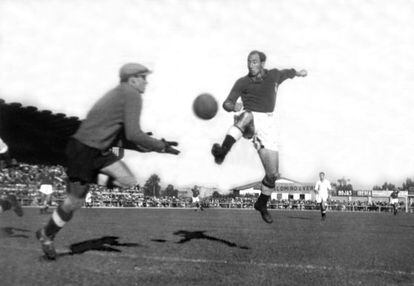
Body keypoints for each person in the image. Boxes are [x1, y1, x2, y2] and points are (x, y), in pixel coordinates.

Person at [36, 63, 180, 260]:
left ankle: (91, 181)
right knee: (73, 202)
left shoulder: (121, 93)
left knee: (128, 181)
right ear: (132, 79)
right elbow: (134, 134)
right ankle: (46, 234)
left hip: (97, 150)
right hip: (84, 150)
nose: (146, 82)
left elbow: (125, 137)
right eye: (144, 77)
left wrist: (158, 146)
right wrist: (159, 146)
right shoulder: (131, 94)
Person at [211, 50, 307, 223]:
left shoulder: (275, 75)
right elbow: (227, 102)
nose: (250, 65)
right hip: (250, 120)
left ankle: (261, 204)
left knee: (273, 174)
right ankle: (222, 151)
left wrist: (299, 73)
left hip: (268, 126)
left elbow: (289, 72)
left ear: (263, 63)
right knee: (247, 116)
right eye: (249, 62)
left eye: (254, 62)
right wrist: (232, 106)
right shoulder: (242, 82)